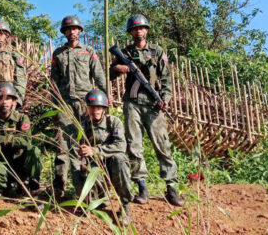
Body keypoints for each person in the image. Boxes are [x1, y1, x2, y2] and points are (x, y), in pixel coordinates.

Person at [109, 14, 184, 206]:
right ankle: (141, 186)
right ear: (131, 32)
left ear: (146, 30)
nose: (139, 31)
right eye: (135, 28)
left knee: (162, 145)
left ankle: (171, 187)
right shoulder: (125, 52)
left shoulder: (157, 51)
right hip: (132, 103)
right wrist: (120, 68)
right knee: (134, 145)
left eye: (142, 28)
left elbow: (166, 79)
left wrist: (165, 99)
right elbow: (110, 73)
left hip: (153, 103)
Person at [50, 15, 108, 196]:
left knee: (85, 143)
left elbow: (99, 76)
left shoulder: (89, 52)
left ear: (80, 31)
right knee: (62, 145)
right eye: (68, 29)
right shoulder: (58, 54)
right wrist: (54, 105)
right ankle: (59, 186)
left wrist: (105, 98)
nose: (72, 31)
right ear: (64, 32)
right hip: (65, 104)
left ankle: (85, 187)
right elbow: (54, 81)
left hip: (86, 104)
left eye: (75, 29)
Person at [73, 89, 133, 225]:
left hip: (112, 167)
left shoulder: (113, 122)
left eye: (98, 107)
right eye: (92, 107)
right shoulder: (83, 126)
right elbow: (75, 145)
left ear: (104, 108)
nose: (95, 111)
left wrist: (95, 150)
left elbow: (121, 146)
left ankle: (124, 206)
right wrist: (80, 150)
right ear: (87, 109)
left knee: (120, 159)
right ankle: (95, 198)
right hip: (95, 166)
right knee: (79, 168)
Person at [0, 82, 41, 196]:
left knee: (34, 151)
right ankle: (5, 189)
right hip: (2, 165)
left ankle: (31, 186)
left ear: (14, 102)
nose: (5, 102)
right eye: (1, 98)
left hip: (20, 164)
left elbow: (26, 141)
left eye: (8, 99)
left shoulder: (21, 119)